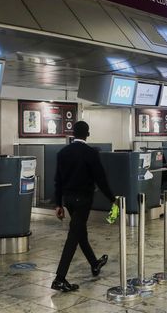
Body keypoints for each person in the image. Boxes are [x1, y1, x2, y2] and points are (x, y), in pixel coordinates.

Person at [52, 121, 114, 292]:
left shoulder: (63, 153)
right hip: (83, 200)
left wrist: (58, 204)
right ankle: (60, 278)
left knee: (80, 232)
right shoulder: (91, 153)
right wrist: (112, 198)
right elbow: (100, 179)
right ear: (87, 134)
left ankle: (94, 263)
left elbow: (58, 180)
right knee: (73, 235)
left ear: (73, 133)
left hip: (68, 200)